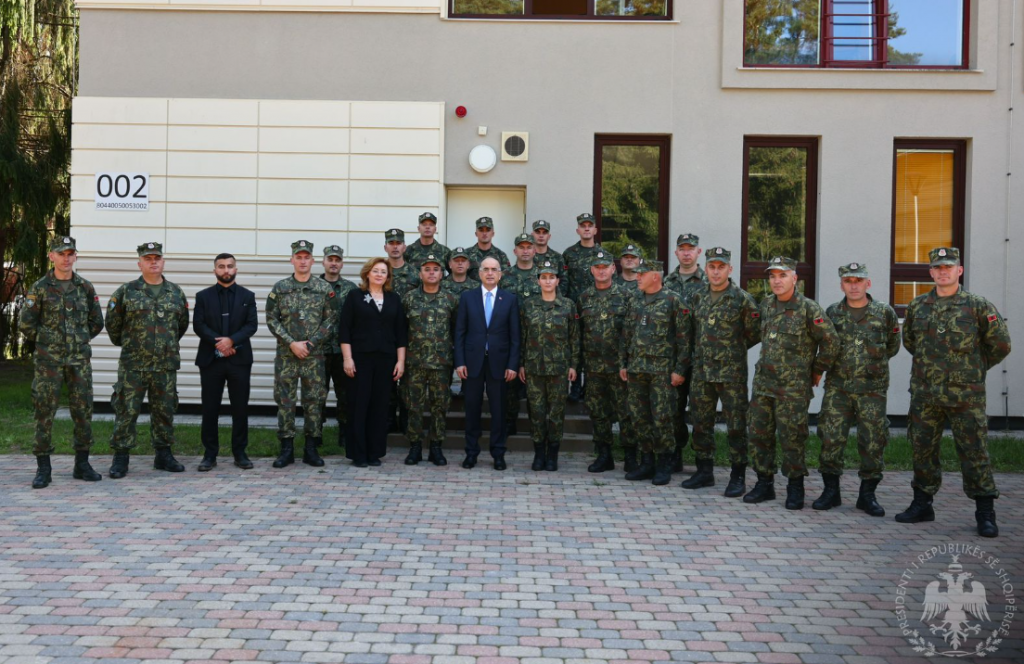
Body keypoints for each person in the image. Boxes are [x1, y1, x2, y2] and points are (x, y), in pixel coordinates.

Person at [897, 247, 1011, 538]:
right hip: (926, 393)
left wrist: (973, 368)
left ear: (959, 270)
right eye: (938, 267)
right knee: (923, 449)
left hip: (966, 395)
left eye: (949, 266)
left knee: (974, 452)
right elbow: (910, 341)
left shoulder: (977, 306)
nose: (943, 271)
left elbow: (1000, 344)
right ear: (931, 273)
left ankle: (985, 512)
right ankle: (922, 504)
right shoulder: (918, 306)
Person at [744, 256, 839, 510]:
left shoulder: (808, 309)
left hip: (793, 389)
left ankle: (795, 487)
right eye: (773, 276)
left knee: (792, 438)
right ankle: (764, 484)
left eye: (782, 275)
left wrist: (818, 369)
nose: (777, 280)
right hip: (763, 385)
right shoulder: (765, 305)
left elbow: (831, 341)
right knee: (759, 436)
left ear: (794, 278)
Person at [814, 263, 900, 514]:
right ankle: (831, 492)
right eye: (848, 281)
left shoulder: (885, 313)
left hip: (872, 389)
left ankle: (867, 495)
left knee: (873, 440)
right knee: (830, 438)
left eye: (858, 281)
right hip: (838, 387)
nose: (853, 285)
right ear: (842, 284)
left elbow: (892, 346)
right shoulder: (832, 312)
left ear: (868, 284)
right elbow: (825, 344)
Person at [20, 236, 105, 488]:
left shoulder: (85, 287)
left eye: (70, 254)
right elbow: (26, 323)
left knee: (82, 410)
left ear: (75, 256)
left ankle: (82, 463)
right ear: (52, 256)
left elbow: (96, 321)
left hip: (79, 360)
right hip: (49, 362)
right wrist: (50, 343)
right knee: (44, 412)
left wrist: (78, 340)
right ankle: (43, 468)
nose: (66, 258)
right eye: (61, 253)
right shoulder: (40, 288)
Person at [679, 248, 760, 496]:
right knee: (701, 422)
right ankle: (705, 471)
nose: (716, 271)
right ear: (706, 269)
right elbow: (691, 331)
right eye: (712, 267)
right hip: (702, 372)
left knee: (736, 426)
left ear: (729, 269)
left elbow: (754, 333)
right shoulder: (697, 297)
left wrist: (731, 349)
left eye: (721, 267)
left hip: (731, 374)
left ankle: (737, 476)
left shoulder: (742, 299)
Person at [106, 242, 190, 479]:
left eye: (157, 258)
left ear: (163, 262)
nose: (153, 262)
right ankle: (121, 457)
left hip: (165, 364)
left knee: (164, 410)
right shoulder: (126, 292)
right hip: (134, 364)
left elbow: (180, 325)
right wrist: (133, 346)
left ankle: (163, 454)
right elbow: (113, 326)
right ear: (139, 263)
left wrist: (164, 344)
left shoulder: (175, 292)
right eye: (148, 258)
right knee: (126, 410)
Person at [619, 259, 692, 486]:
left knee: (662, 418)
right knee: (640, 418)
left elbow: (685, 339)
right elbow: (626, 334)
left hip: (662, 372)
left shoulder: (673, 301)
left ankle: (664, 464)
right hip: (637, 369)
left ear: (655, 276)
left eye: (642, 273)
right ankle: (647, 461)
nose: (637, 276)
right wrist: (623, 363)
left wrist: (680, 370)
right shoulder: (635, 300)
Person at [265, 240, 333, 469]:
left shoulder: (323, 288)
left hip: (314, 358)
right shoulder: (280, 288)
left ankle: (311, 449)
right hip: (287, 356)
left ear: (313, 261)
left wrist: (311, 344)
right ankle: (286, 449)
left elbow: (331, 320)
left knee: (314, 402)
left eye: (306, 257)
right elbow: (272, 319)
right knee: (285, 402)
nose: (303, 261)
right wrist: (292, 343)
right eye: (299, 257)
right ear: (291, 260)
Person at [192, 253, 259, 471]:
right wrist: (218, 343)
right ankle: (209, 454)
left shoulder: (248, 296)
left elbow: (251, 325)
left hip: (239, 361)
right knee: (210, 408)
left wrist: (231, 341)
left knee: (240, 408)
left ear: (236, 269)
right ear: (215, 270)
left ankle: (240, 453)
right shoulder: (203, 296)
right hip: (211, 361)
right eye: (221, 266)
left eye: (230, 266)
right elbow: (199, 325)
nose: (226, 270)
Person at [340, 258, 408, 467]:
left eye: (383, 272)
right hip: (360, 359)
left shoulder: (394, 299)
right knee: (360, 405)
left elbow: (401, 333)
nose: (379, 274)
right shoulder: (355, 296)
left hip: (386, 360)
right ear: (367, 273)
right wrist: (347, 358)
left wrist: (401, 362)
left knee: (380, 406)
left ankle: (374, 452)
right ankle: (358, 453)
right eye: (376, 271)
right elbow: (345, 330)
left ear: (388, 276)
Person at [454, 256, 521, 470]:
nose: (490, 273)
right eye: (486, 269)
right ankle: (471, 453)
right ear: (479, 273)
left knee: (498, 410)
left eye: (494, 269)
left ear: (500, 274)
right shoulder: (467, 297)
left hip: (499, 364)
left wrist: (512, 364)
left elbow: (515, 336)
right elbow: (460, 332)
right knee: (472, 408)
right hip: (472, 362)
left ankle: (498, 453)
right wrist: (460, 361)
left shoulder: (509, 299)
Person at [577, 250, 635, 473]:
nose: (601, 271)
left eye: (605, 267)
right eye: (597, 267)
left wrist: (627, 363)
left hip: (619, 367)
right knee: (598, 411)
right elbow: (579, 333)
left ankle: (630, 455)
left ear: (613, 269)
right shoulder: (583, 299)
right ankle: (604, 455)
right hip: (593, 367)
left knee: (626, 412)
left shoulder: (627, 297)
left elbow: (631, 333)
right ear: (592, 270)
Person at [519, 260, 579, 471]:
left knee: (556, 413)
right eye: (543, 277)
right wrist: (521, 364)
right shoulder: (528, 305)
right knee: (536, 412)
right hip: (534, 368)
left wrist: (573, 366)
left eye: (551, 277)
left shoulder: (568, 306)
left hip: (559, 369)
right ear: (538, 281)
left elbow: (574, 338)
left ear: (557, 280)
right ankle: (538, 454)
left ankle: (552, 455)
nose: (547, 281)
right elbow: (523, 337)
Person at [401, 254, 459, 466]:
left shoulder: (451, 299)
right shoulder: (409, 298)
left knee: (439, 406)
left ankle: (436, 446)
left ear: (442, 273)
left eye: (436, 269)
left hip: (441, 364)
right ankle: (415, 446)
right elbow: (401, 331)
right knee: (413, 406)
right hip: (414, 363)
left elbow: (457, 331)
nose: (432, 272)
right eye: (427, 269)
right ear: (420, 273)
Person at [663, 232, 706, 472]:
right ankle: (675, 454)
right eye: (683, 249)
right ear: (676, 252)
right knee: (673, 409)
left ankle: (702, 462)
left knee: (701, 412)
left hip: (701, 358)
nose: (687, 252)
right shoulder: (667, 283)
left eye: (691, 248)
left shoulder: (709, 282)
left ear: (698, 252)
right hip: (675, 357)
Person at [502, 233, 542, 437]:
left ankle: (536, 426)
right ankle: (509, 421)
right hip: (509, 335)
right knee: (509, 381)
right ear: (515, 251)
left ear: (535, 250)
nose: (525, 251)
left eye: (529, 247)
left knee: (533, 382)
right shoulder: (505, 276)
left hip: (537, 337)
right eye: (521, 247)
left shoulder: (544, 275)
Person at [563, 213, 604, 403]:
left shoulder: (604, 255)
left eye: (590, 225)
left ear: (595, 230)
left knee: (592, 347)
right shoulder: (569, 254)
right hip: (574, 309)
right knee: (574, 347)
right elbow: (564, 282)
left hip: (596, 309)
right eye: (583, 225)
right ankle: (575, 387)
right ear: (578, 230)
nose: (587, 228)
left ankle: (589, 387)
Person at [319, 245, 357, 453]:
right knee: (317, 394)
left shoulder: (351, 289)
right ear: (323, 262)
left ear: (342, 263)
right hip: (318, 351)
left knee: (345, 395)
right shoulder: (314, 285)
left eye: (337, 260)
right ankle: (315, 434)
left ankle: (344, 432)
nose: (334, 263)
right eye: (330, 259)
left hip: (343, 352)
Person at [385, 228, 417, 434]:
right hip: (386, 334)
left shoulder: (415, 273)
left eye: (399, 243)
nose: (395, 246)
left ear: (405, 247)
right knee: (387, 380)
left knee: (407, 381)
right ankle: (388, 421)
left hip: (411, 334)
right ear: (385, 247)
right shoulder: (380, 271)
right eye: (391, 243)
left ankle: (406, 421)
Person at [466, 217, 511, 281]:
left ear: (493, 233)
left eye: (488, 230)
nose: (484, 233)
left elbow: (506, 279)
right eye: (481, 230)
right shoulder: (466, 254)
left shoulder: (501, 256)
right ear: (476, 233)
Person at [531, 219, 567, 297]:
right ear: (532, 235)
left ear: (549, 236)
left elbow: (564, 282)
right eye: (538, 232)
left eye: (544, 232)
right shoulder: (527, 257)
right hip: (531, 304)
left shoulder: (557, 258)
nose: (541, 235)